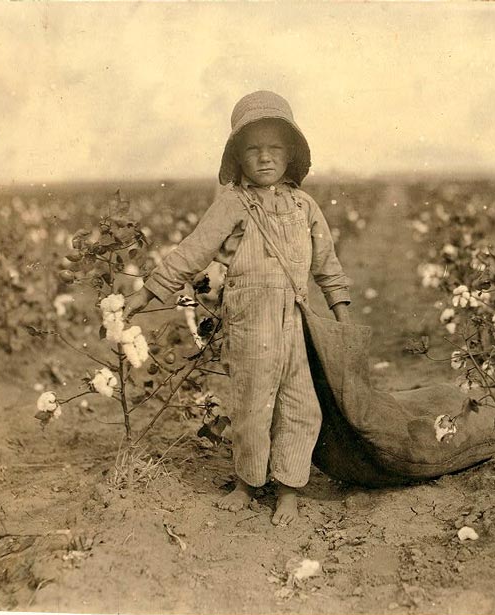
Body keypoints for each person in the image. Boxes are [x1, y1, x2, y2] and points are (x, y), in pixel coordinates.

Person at [124, 91, 351, 525]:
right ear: (238, 157)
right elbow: (192, 252)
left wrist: (342, 316)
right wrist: (148, 293)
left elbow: (328, 266)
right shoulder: (233, 204)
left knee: (302, 404)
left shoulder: (306, 208)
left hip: (297, 322)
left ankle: (288, 488)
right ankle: (248, 483)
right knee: (251, 403)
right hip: (251, 324)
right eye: (253, 149)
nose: (265, 158)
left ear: (292, 154)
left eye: (275, 148)